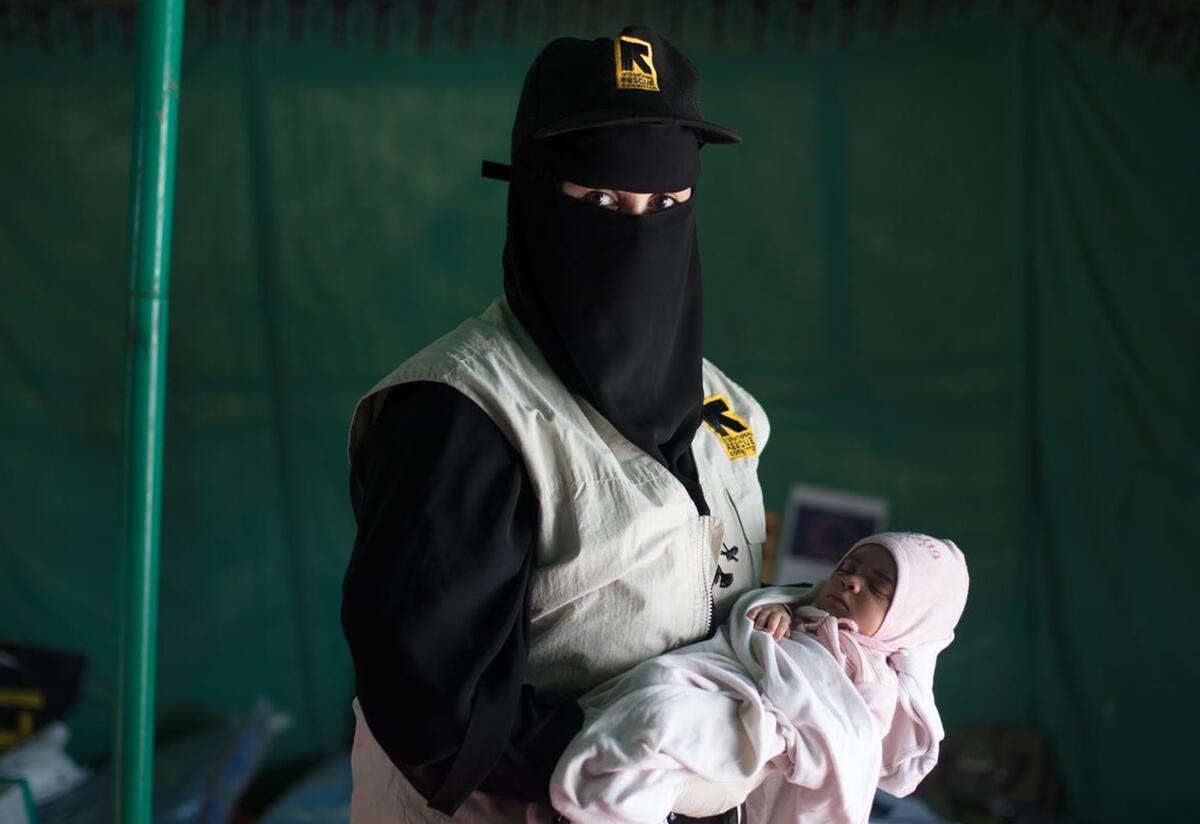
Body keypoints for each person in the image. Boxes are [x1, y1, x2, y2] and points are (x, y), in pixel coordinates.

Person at [340, 24, 769, 824]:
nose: (640, 230)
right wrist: (653, 760)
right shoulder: (462, 415)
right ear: (535, 197)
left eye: (668, 204)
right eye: (604, 202)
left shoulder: (725, 407)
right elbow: (434, 709)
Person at [549, 532, 970, 824]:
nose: (852, 581)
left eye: (878, 586)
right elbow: (752, 630)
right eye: (849, 566)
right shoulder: (803, 608)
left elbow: (846, 734)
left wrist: (786, 726)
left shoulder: (874, 676)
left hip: (768, 728)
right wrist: (778, 613)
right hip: (728, 679)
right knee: (654, 682)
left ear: (907, 620)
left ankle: (608, 799)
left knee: (661, 721)